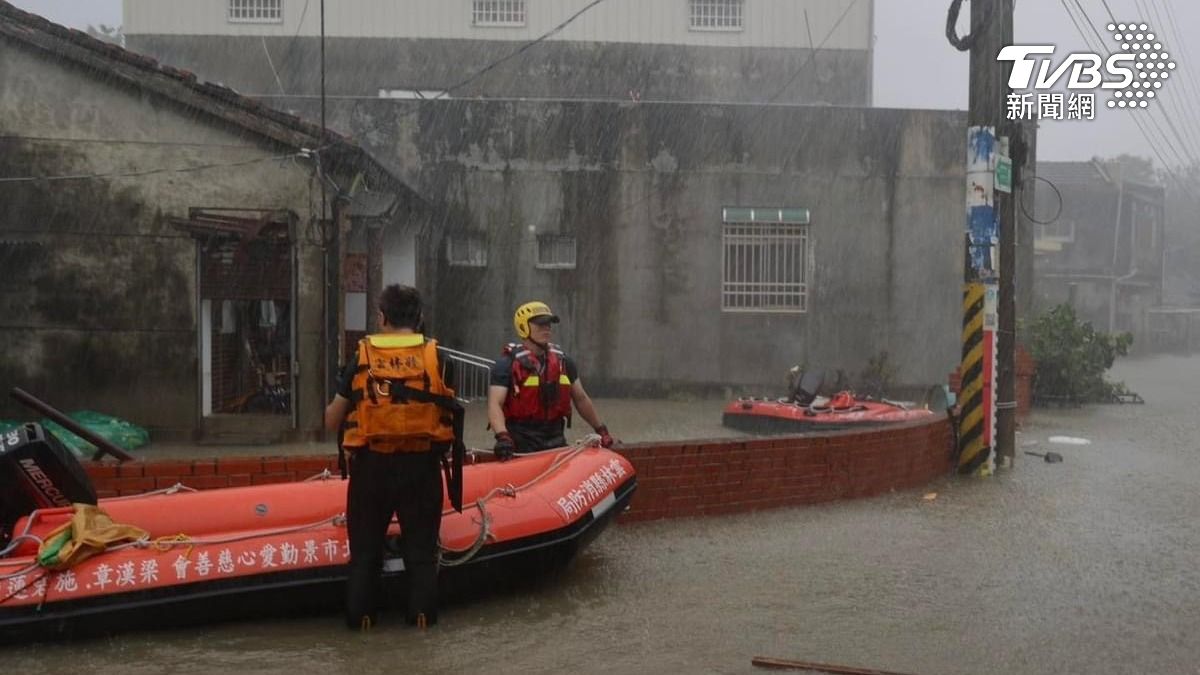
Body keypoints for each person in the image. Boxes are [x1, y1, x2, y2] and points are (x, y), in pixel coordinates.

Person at [324, 284, 463, 631]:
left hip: (371, 468)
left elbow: (332, 421)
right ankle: (421, 627)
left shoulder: (361, 358)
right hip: (422, 468)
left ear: (382, 317)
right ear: (419, 318)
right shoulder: (438, 357)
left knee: (365, 558)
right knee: (421, 556)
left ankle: (362, 626)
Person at [487, 301, 614, 459]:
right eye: (540, 324)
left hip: (555, 438)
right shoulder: (506, 365)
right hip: (522, 440)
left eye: (548, 324)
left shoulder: (564, 362)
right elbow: (495, 404)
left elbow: (581, 399)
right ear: (523, 327)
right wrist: (502, 436)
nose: (546, 328)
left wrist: (601, 430)